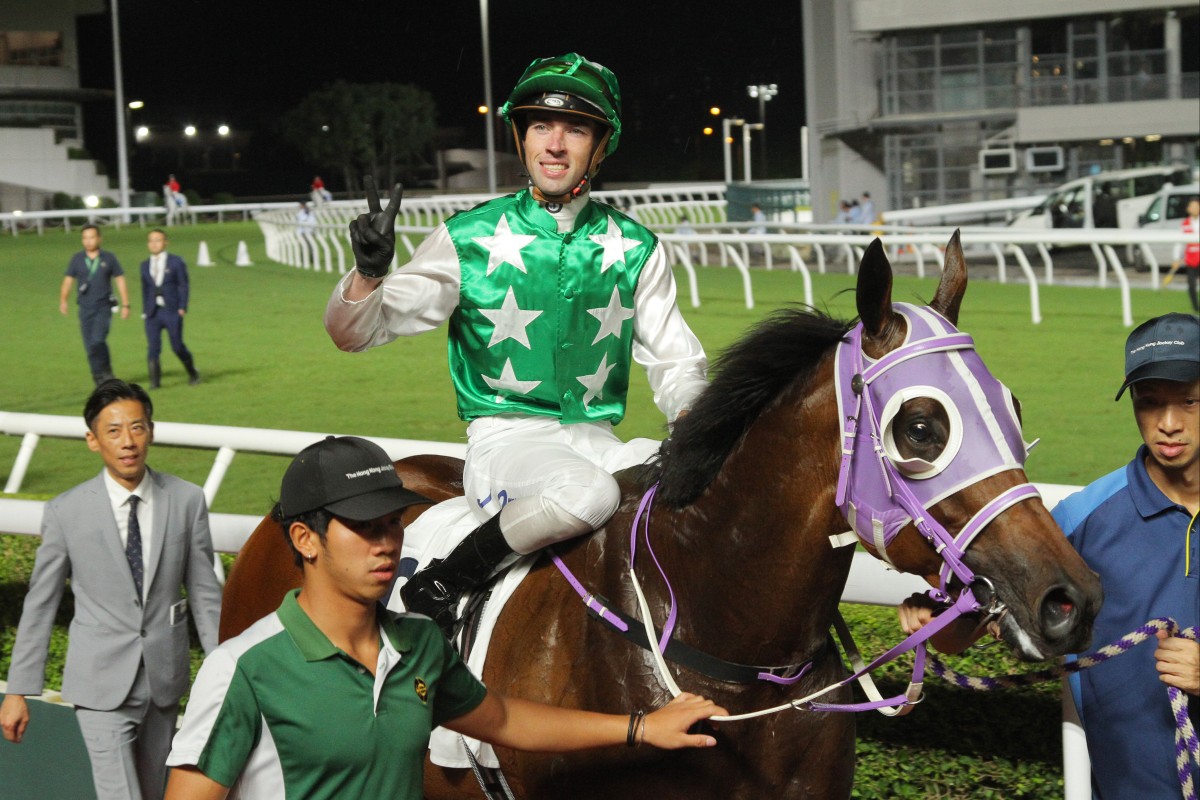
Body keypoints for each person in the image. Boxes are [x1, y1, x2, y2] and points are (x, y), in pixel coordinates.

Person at [324, 53, 708, 635]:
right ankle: (445, 580)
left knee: (695, 497)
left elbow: (676, 361)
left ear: (600, 147)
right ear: (521, 138)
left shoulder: (636, 247)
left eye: (575, 130)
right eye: (540, 126)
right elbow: (353, 334)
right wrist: (369, 274)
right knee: (587, 493)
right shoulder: (469, 236)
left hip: (599, 442)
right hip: (506, 444)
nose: (554, 144)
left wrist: (692, 420)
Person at [163, 436, 725, 799]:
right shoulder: (243, 669)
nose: (386, 543)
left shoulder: (418, 644)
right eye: (363, 528)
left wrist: (641, 727)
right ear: (305, 539)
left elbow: (502, 719)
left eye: (392, 523)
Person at [900, 313, 1199, 799]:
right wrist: (930, 623)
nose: (1168, 424)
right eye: (1149, 402)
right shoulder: (1079, 522)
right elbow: (967, 630)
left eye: (1189, 401)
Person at [1, 379, 223, 800]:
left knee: (154, 792)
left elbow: (205, 596)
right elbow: (41, 603)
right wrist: (17, 689)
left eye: (137, 428)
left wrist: (223, 674)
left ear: (151, 431)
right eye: (114, 431)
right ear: (93, 440)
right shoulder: (66, 511)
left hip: (164, 682)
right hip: (98, 685)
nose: (128, 441)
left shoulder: (187, 500)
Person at [60, 224, 130, 385]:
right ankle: (98, 376)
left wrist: (126, 305)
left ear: (99, 239)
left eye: (91, 237)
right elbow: (68, 281)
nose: (88, 241)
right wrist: (63, 300)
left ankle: (106, 371)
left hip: (103, 307)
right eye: (85, 238)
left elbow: (120, 280)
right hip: (85, 308)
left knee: (98, 340)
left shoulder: (109, 258)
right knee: (90, 346)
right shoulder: (77, 259)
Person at [140, 229, 200, 388]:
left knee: (177, 346)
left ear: (165, 242)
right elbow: (145, 289)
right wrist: (145, 310)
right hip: (152, 312)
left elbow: (183, 285)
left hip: (171, 310)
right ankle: (155, 383)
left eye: (158, 240)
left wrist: (182, 306)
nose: (154, 244)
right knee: (153, 347)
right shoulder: (144, 265)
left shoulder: (176, 262)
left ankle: (193, 373)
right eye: (151, 240)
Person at [1163, 196, 1199, 312]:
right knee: (1191, 284)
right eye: (1192, 206)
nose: (1194, 209)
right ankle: (1196, 308)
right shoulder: (1184, 224)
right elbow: (1179, 243)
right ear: (1188, 209)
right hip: (1191, 259)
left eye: (1196, 206)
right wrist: (1176, 258)